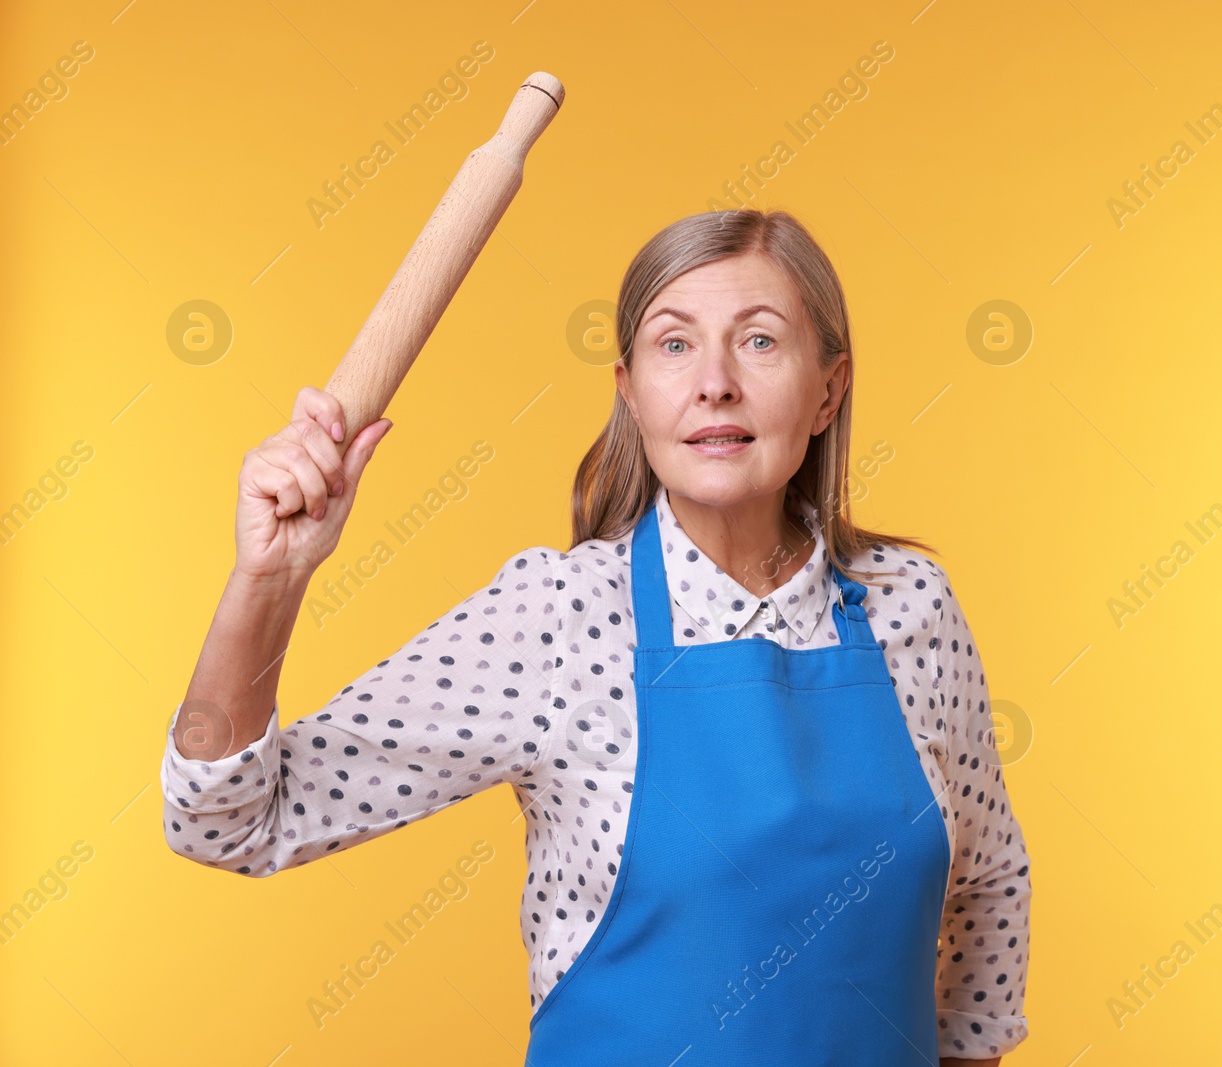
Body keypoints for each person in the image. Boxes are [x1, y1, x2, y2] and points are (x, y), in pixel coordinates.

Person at [162, 208, 1031, 1065]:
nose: (715, 382)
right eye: (674, 344)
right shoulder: (560, 617)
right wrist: (267, 583)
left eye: (760, 341)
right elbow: (227, 818)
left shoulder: (908, 604)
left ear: (828, 390)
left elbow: (989, 883)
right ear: (630, 389)